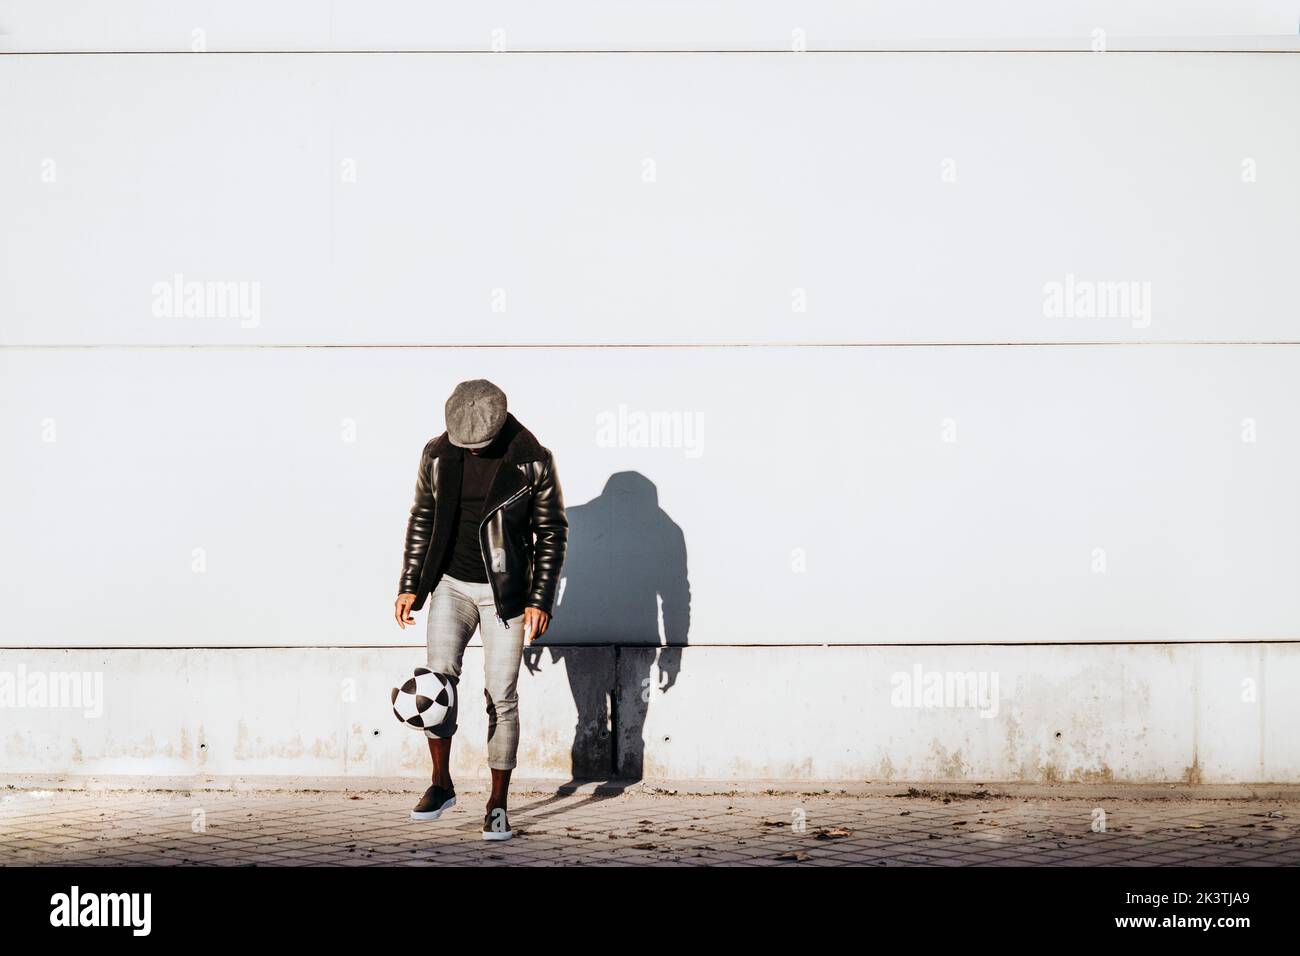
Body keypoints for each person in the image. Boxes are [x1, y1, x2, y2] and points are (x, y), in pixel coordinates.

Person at [394, 379, 567, 841]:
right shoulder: (437, 454)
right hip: (450, 585)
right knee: (436, 685)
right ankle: (441, 784)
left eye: (479, 446)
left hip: (505, 597)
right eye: (463, 446)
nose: (471, 452)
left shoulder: (533, 461)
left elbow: (551, 532)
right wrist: (411, 585)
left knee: (501, 696)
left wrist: (539, 599)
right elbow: (422, 518)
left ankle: (497, 805)